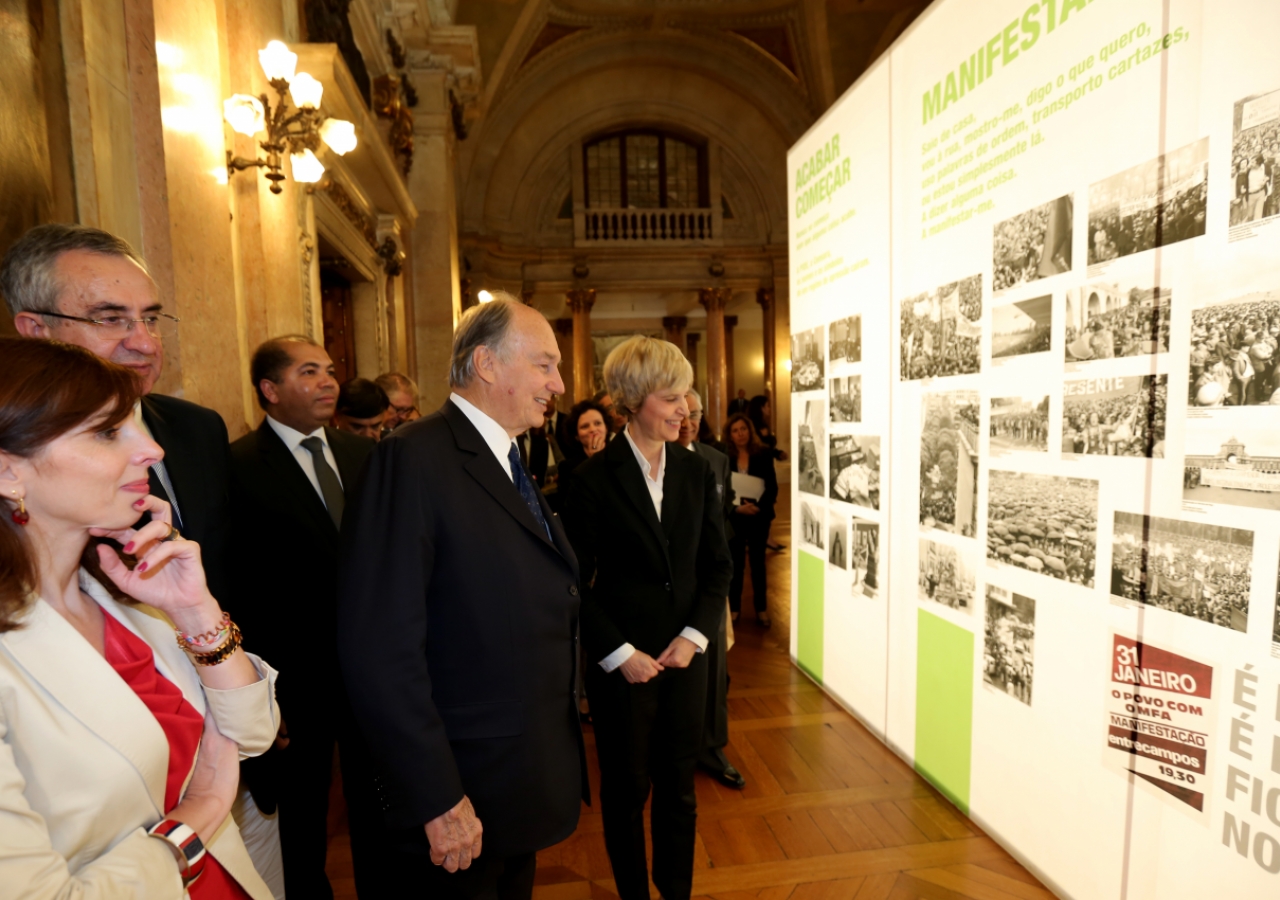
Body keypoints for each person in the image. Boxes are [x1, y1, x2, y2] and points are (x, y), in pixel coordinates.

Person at [0, 337, 279, 897]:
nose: (153, 450)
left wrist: (192, 607)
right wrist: (192, 823)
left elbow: (253, 733)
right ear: (9, 474)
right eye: (108, 432)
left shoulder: (117, 594)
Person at [338, 294, 586, 900]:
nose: (559, 382)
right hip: (460, 789)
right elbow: (380, 648)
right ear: (487, 364)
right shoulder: (413, 458)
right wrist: (436, 794)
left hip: (514, 780)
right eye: (545, 365)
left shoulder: (505, 454)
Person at [565, 336, 732, 900]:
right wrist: (619, 655)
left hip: (686, 665)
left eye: (685, 395)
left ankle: (676, 892)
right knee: (627, 791)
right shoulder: (590, 481)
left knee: (680, 790)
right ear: (632, 401)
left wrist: (693, 637)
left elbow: (717, 569)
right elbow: (573, 585)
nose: (684, 409)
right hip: (625, 670)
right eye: (670, 397)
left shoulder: (695, 472)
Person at [228, 336, 387, 900]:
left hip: (371, 669)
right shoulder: (238, 466)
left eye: (330, 370)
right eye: (309, 372)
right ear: (269, 391)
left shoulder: (362, 454)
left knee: (381, 803)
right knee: (302, 813)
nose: (328, 382)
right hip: (295, 678)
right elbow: (236, 580)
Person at [2, 223, 233, 609]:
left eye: (152, 319)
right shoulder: (16, 458)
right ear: (37, 330)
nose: (144, 343)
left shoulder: (200, 427)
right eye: (110, 319)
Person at [678, 389, 745, 791]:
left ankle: (712, 746)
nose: (689, 420)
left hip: (712, 583)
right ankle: (677, 748)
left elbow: (723, 519)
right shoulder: (658, 460)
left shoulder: (716, 460)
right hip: (673, 585)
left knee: (716, 670)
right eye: (682, 412)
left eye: (696, 413)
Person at [724, 413, 778, 627]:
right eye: (735, 430)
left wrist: (758, 507)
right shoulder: (725, 457)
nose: (740, 434)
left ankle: (761, 609)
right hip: (736, 518)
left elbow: (772, 486)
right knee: (735, 565)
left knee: (758, 565)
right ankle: (735, 608)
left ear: (749, 430)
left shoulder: (763, 454)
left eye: (743, 429)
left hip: (758, 517)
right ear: (730, 435)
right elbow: (722, 489)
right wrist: (737, 508)